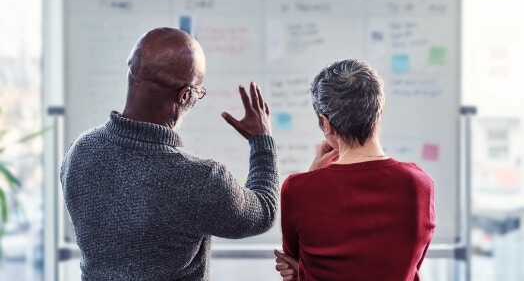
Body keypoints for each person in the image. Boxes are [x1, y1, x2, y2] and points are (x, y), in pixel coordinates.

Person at [60, 27, 280, 280]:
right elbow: (264, 210)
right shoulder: (200, 180)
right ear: (185, 95)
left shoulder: (79, 151)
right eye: (199, 92)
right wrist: (262, 141)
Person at [273, 59, 436, 281]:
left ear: (326, 123)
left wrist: (311, 177)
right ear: (378, 112)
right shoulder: (419, 185)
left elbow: (297, 261)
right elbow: (408, 266)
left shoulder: (297, 190)